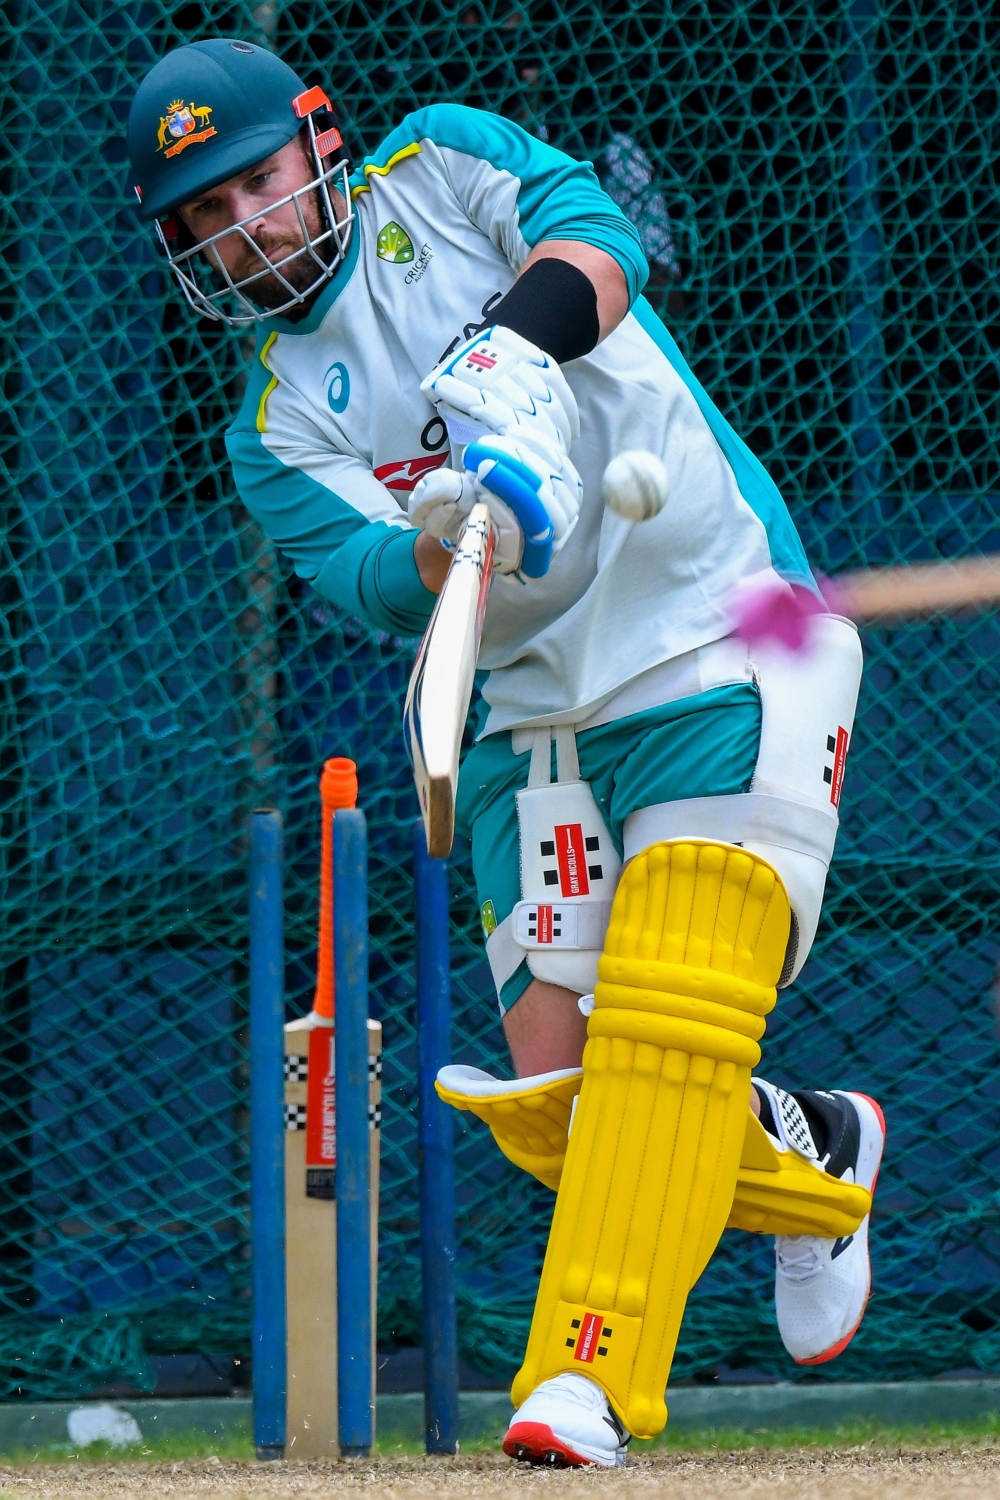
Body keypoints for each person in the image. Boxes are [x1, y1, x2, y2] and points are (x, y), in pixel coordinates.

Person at [127, 40, 886, 1467]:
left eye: (257, 183)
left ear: (318, 144)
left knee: (669, 1018)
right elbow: (362, 577)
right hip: (529, 710)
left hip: (722, 631)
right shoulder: (274, 425)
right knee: (562, 1105)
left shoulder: (443, 166)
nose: (243, 227)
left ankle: (581, 1382)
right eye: (201, 216)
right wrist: (469, 523)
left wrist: (512, 350)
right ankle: (815, 1159)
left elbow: (595, 241)